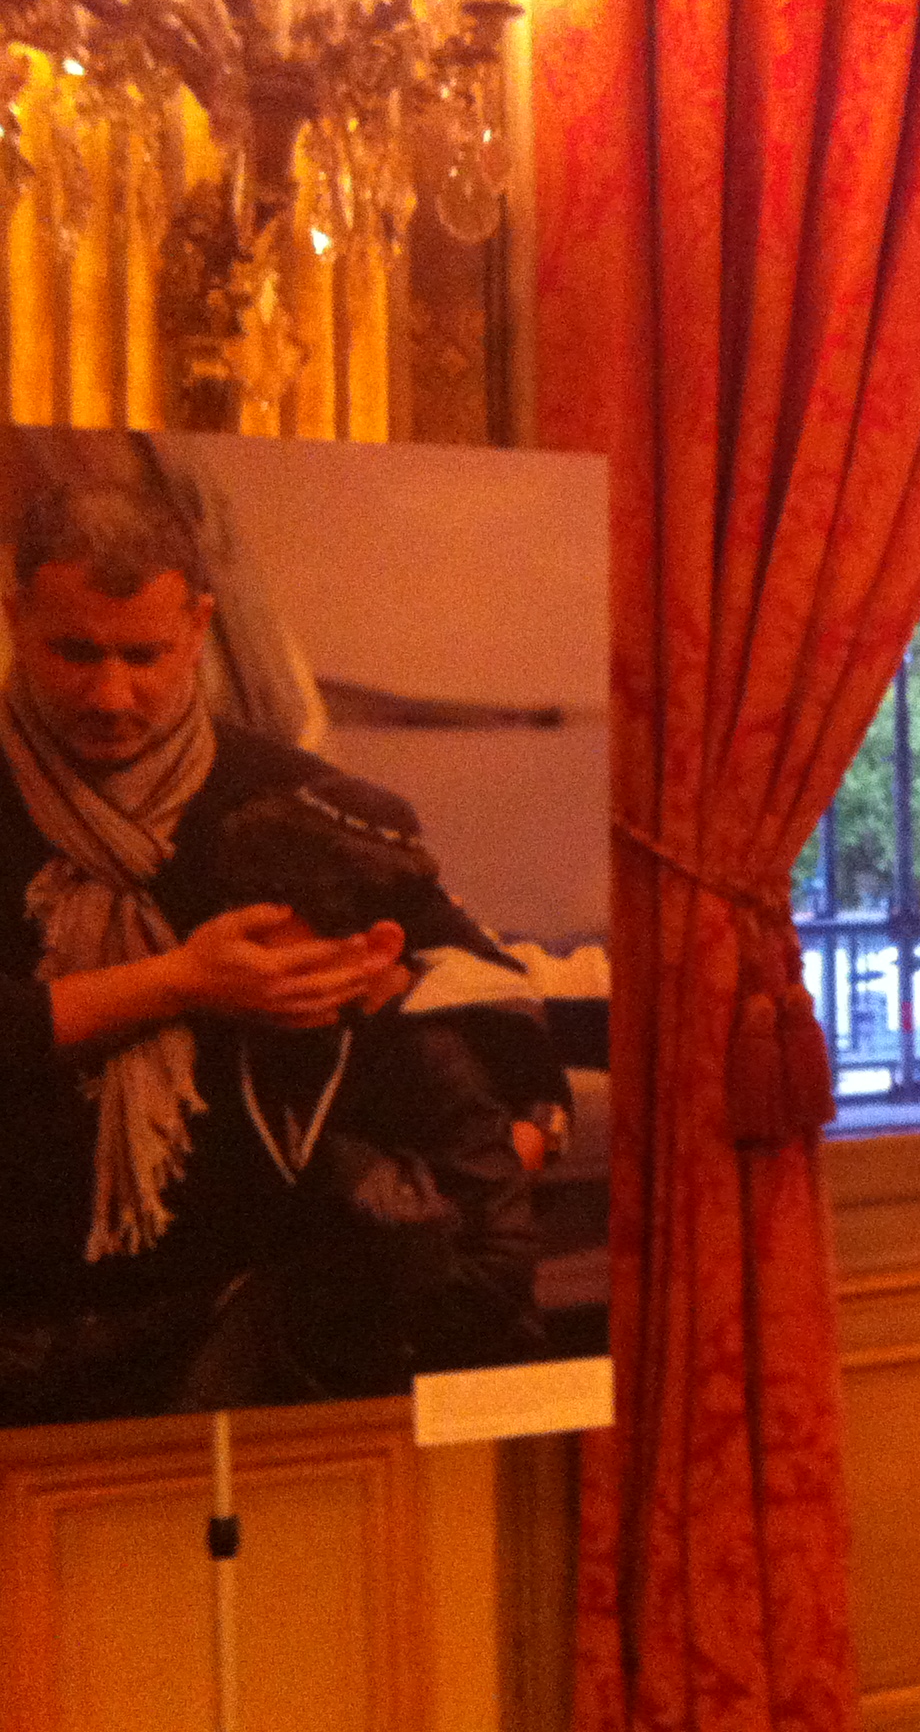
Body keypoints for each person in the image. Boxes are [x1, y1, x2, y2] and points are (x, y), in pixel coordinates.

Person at [0, 468, 543, 1427]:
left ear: (199, 628)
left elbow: (495, 1006)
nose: (111, 694)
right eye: (74, 651)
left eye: (144, 655)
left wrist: (404, 1008)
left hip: (241, 1335)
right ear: (15, 617)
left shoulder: (292, 798)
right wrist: (183, 982)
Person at [192, 782, 547, 1402]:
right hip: (295, 1353)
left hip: (410, 1379)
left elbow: (500, 1267)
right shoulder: (274, 1027)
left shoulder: (432, 1055)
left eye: (276, 954)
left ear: (379, 948)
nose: (245, 971)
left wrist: (369, 1201)